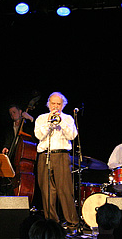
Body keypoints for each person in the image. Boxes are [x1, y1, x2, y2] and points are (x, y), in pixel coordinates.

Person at [34, 92, 79, 229]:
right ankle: (52, 223)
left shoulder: (68, 118)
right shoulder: (41, 118)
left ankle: (72, 223)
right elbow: (38, 135)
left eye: (58, 104)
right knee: (47, 191)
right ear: (49, 104)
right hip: (44, 155)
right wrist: (49, 123)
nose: (55, 106)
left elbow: (72, 135)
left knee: (65, 190)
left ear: (62, 105)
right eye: (53, 103)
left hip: (61, 155)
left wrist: (61, 123)